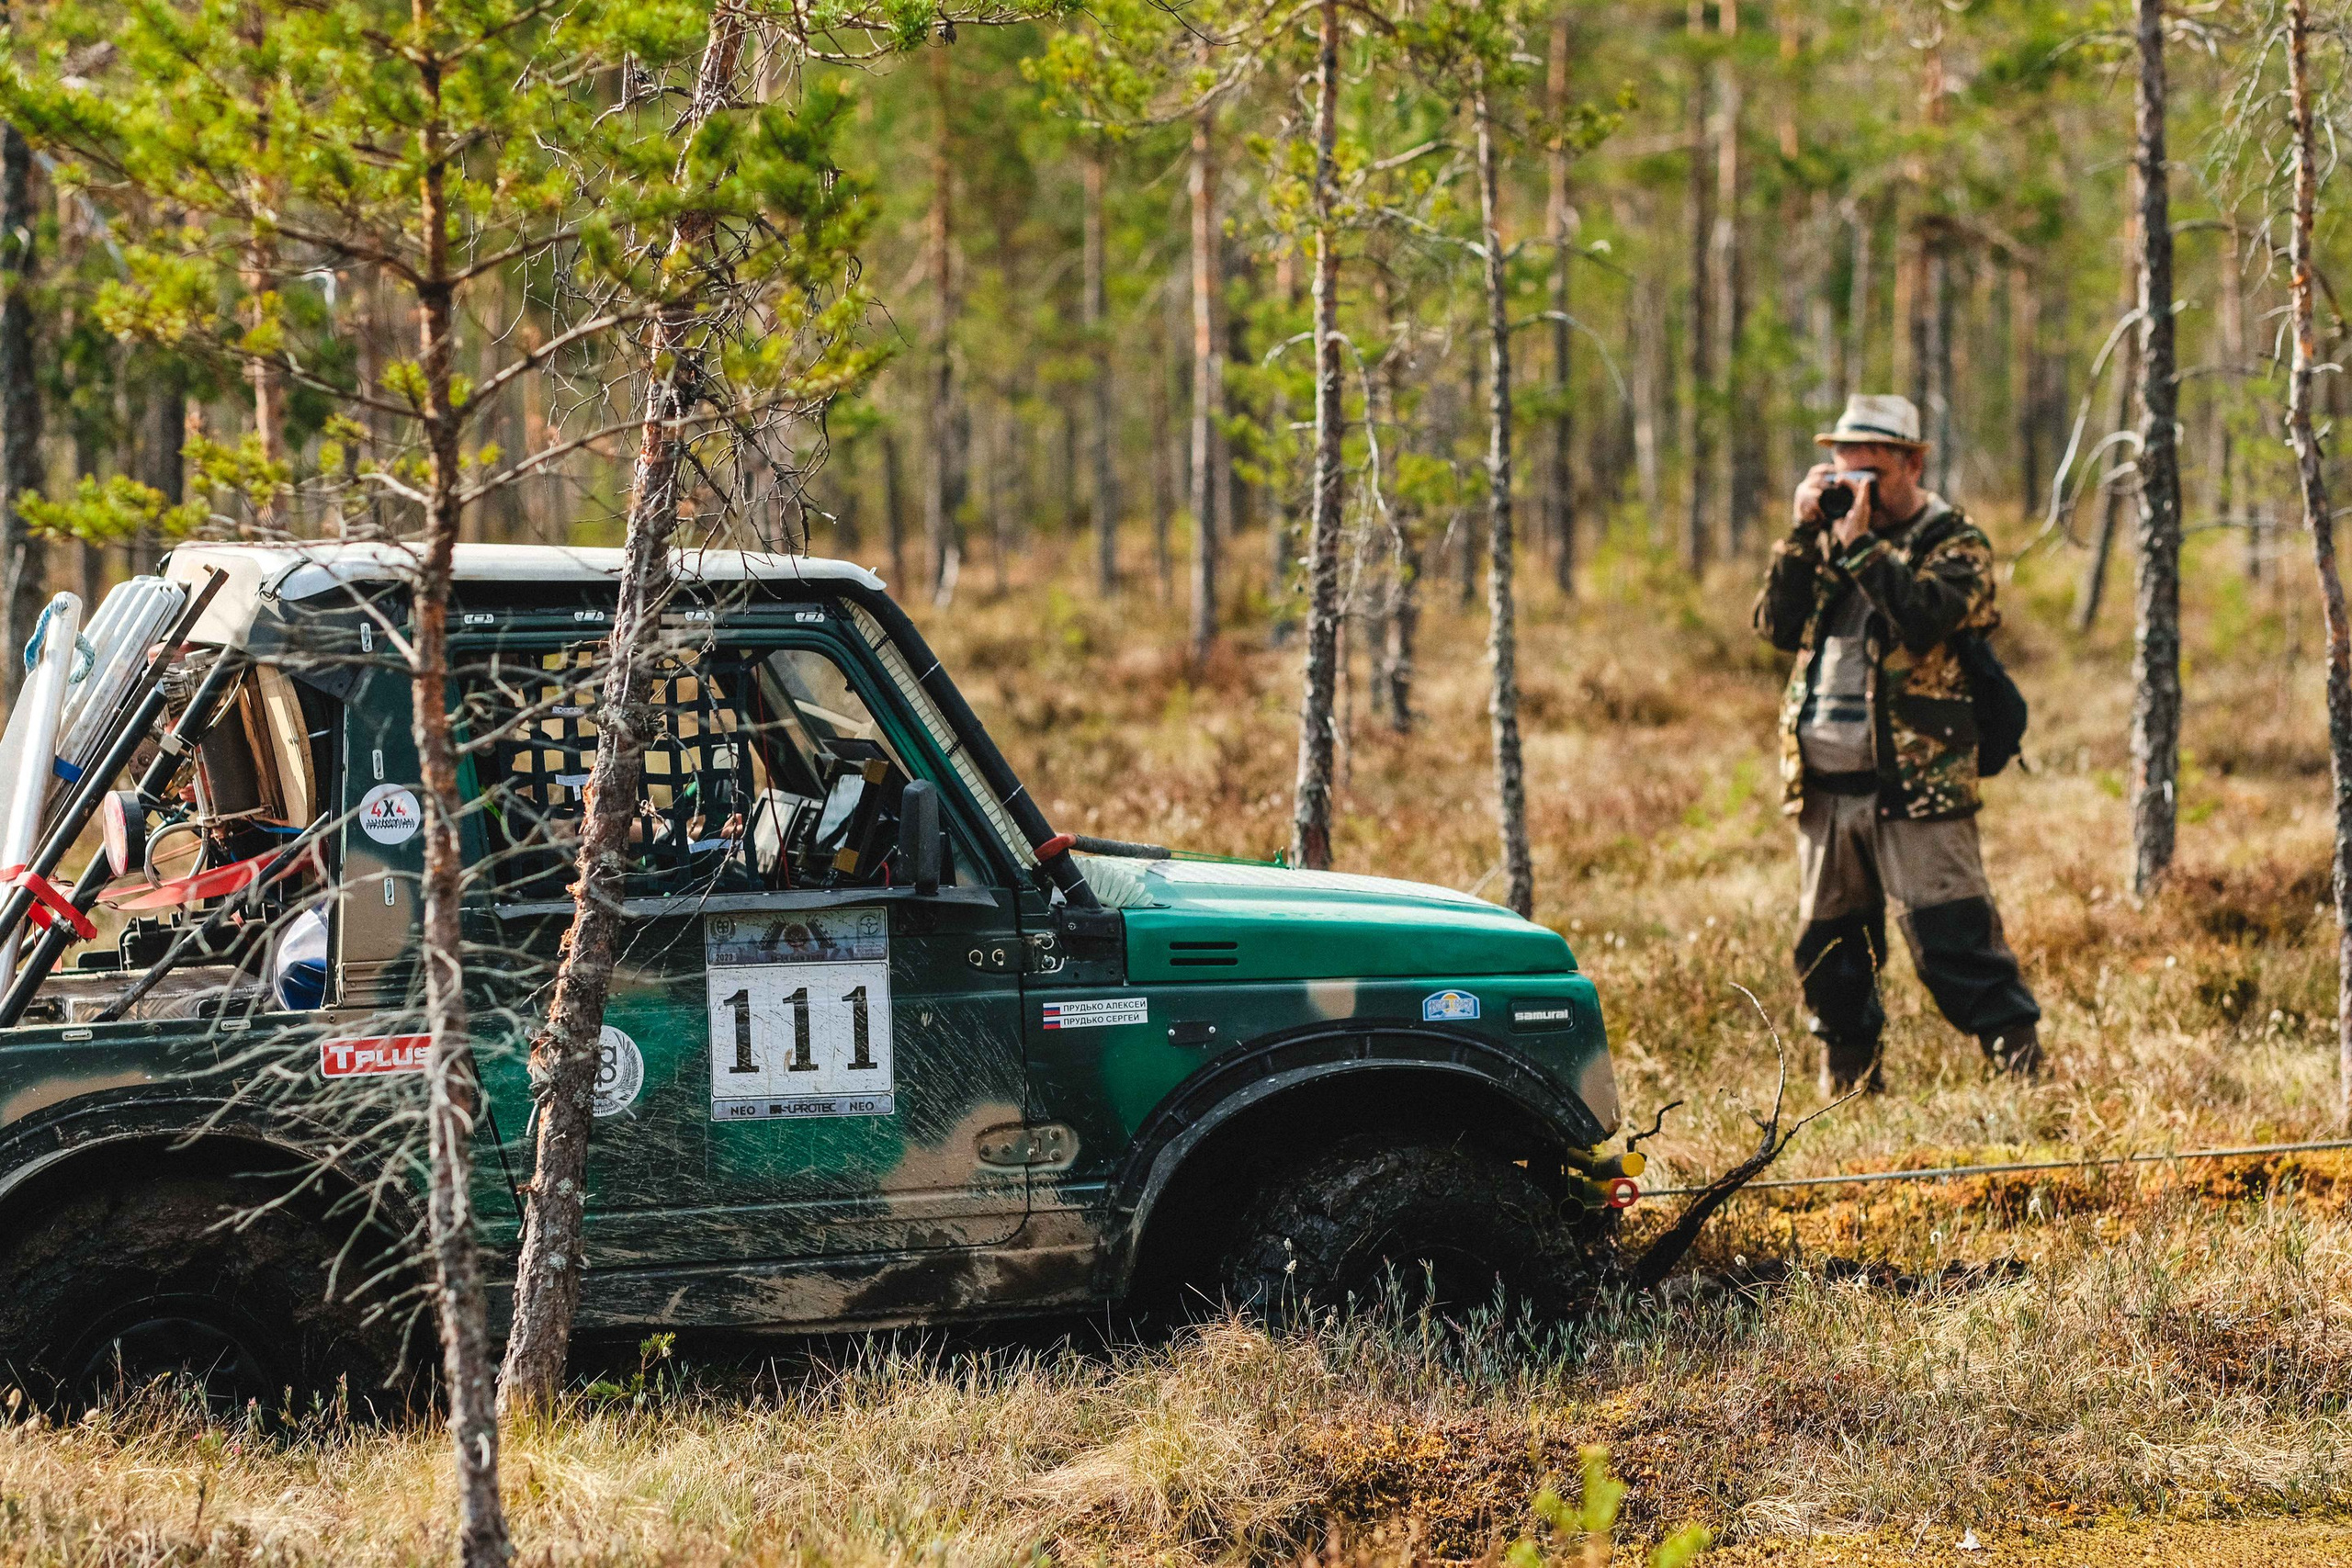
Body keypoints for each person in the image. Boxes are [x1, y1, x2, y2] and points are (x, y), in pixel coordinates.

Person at [1753, 393, 2041, 1094]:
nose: (1855, 490)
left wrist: (1858, 545)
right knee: (1830, 947)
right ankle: (1849, 1084)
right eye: (1840, 474)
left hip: (1917, 781)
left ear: (1913, 463)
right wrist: (1801, 536)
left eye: (1871, 474)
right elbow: (1775, 626)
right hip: (1825, 781)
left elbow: (1923, 617)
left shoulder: (1955, 541)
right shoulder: (1825, 535)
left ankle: (2023, 1073)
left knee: (1955, 937)